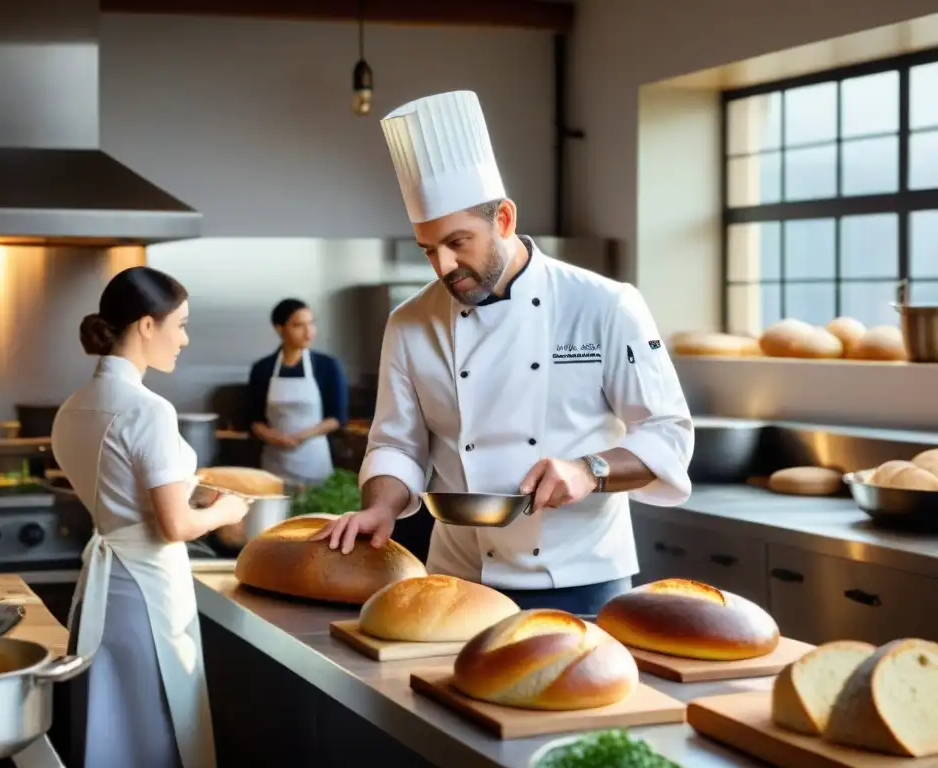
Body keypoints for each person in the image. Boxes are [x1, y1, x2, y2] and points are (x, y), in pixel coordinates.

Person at [313, 91, 695, 615]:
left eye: (459, 242)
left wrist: (590, 470)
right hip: (458, 580)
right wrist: (381, 507)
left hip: (583, 576)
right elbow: (397, 445)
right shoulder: (408, 323)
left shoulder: (605, 305)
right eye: (429, 249)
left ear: (505, 219)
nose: (444, 266)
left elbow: (668, 436)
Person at [52, 266, 250, 768]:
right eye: (179, 324)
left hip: (100, 590)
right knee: (155, 732)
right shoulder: (148, 409)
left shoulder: (72, 408)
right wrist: (227, 507)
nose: (184, 338)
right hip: (147, 592)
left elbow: (122, 496)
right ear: (145, 325)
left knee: (110, 729)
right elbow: (175, 527)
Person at [247, 298, 349, 485]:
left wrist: (300, 437)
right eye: (298, 325)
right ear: (279, 328)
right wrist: (274, 437)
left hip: (314, 459)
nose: (308, 332)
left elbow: (338, 417)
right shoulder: (263, 368)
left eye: (311, 323)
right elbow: (254, 419)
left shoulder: (327, 366)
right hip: (274, 463)